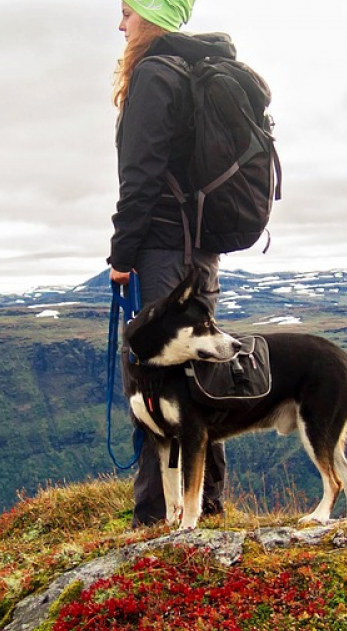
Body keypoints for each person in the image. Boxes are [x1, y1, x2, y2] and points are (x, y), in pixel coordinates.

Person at [108, 0, 233, 526]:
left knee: (152, 381)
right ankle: (206, 504)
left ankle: (154, 517)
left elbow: (141, 177)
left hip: (162, 249)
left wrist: (122, 253)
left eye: (127, 12)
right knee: (197, 377)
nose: (121, 25)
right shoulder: (194, 70)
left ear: (151, 16)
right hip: (198, 250)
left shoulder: (156, 74)